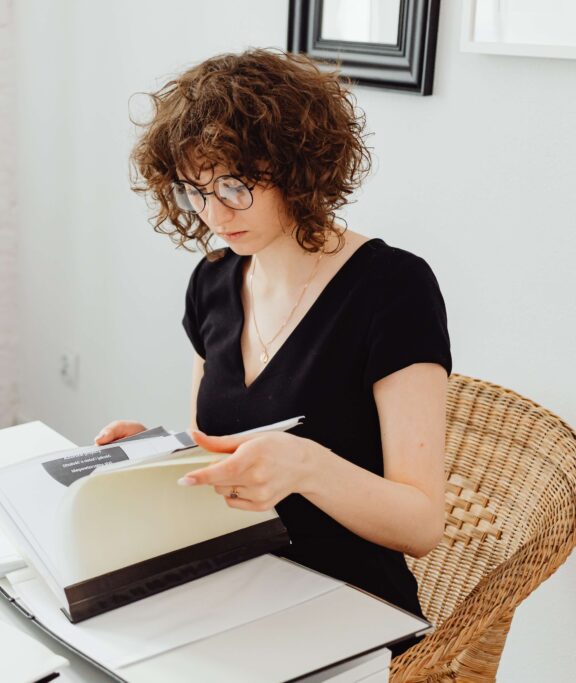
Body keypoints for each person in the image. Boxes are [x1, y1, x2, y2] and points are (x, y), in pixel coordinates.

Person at [94, 49, 451, 657]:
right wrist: (157, 458)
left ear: (300, 168)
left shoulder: (393, 288)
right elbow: (219, 445)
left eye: (234, 186)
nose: (213, 214)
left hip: (349, 607)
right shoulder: (212, 281)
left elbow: (420, 527)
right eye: (194, 192)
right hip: (232, 582)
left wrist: (306, 466)